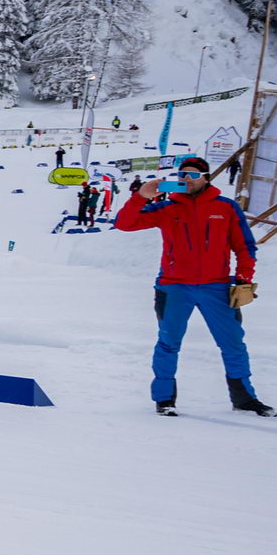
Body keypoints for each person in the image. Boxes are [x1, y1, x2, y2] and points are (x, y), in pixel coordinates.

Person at [115, 156, 270, 416]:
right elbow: (124, 224)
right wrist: (141, 196)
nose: (187, 179)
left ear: (206, 177)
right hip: (174, 287)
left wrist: (243, 277)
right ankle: (165, 400)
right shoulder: (166, 207)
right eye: (182, 175)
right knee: (168, 343)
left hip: (217, 288)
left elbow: (245, 246)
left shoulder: (227, 208)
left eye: (193, 175)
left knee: (233, 344)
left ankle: (244, 398)